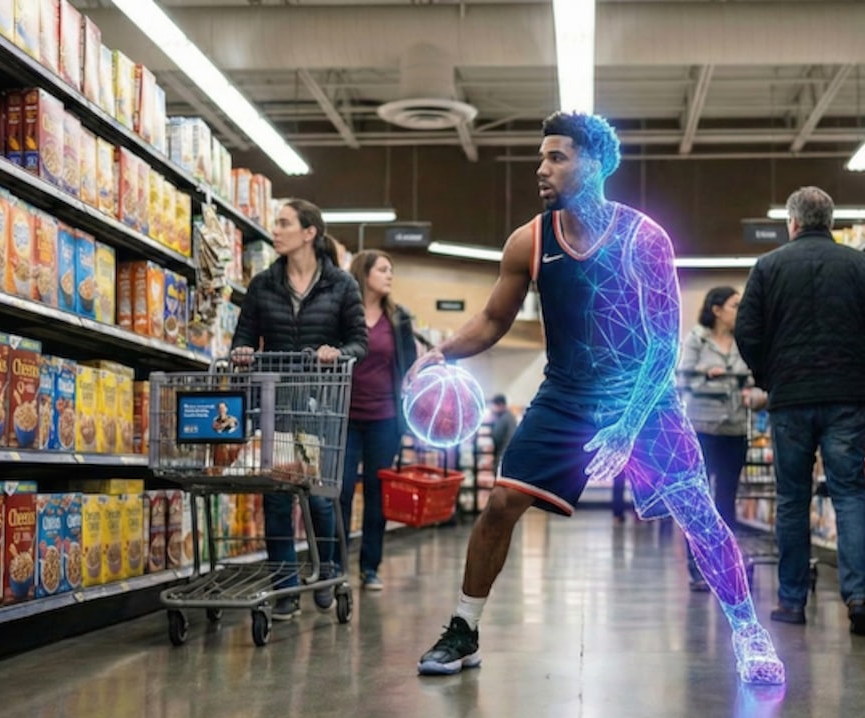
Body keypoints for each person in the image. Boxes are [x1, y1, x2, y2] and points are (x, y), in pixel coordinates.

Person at [412, 112, 784, 685]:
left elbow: (663, 346)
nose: (542, 168)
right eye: (542, 157)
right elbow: (490, 319)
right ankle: (464, 629)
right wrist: (444, 354)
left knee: (700, 516)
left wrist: (626, 426)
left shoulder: (645, 238)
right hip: (566, 397)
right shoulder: (529, 241)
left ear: (596, 164)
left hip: (646, 398)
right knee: (500, 504)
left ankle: (749, 632)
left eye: (556, 157)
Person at [734, 186, 865, 637]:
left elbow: (746, 332)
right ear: (830, 223)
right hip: (847, 396)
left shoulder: (768, 267)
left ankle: (791, 602)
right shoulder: (858, 267)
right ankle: (860, 600)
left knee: (793, 498)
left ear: (792, 223)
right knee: (849, 494)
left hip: (791, 398)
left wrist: (768, 376)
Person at [231, 199, 368, 621]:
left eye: (285, 223)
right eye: (277, 223)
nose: (276, 230)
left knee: (320, 498)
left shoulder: (342, 285)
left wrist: (336, 351)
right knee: (276, 498)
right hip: (275, 403)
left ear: (309, 232)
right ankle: (286, 589)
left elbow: (358, 342)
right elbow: (244, 336)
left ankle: (326, 568)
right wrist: (240, 352)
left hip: (320, 403)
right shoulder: (262, 284)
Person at [340, 250, 418, 593]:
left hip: (384, 419)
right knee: (338, 492)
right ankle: (335, 564)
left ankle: (370, 567)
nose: (389, 275)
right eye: (383, 269)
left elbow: (411, 366)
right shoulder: (343, 315)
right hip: (343, 418)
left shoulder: (398, 319)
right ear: (364, 273)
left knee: (377, 493)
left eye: (392, 269)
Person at [677, 286, 765, 592]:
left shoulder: (745, 343)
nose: (739, 311)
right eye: (734, 305)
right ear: (716, 309)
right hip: (702, 429)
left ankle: (725, 569)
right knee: (701, 504)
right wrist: (708, 375)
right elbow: (682, 377)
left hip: (735, 430)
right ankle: (699, 568)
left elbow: (758, 383)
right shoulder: (697, 339)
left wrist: (753, 396)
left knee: (726, 502)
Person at [488, 394, 517, 468]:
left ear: (500, 405)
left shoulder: (506, 418)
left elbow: (500, 436)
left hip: (504, 455)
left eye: (494, 405)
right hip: (505, 454)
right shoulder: (506, 417)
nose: (493, 408)